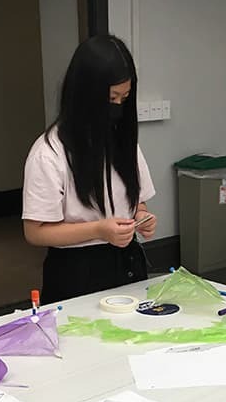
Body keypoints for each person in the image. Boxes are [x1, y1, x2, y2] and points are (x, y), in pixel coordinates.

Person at [22, 34, 157, 303]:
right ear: (85, 96)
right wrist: (98, 230)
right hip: (76, 272)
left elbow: (136, 201)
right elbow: (35, 231)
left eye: (125, 98)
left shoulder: (123, 142)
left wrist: (142, 217)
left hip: (126, 264)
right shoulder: (49, 153)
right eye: (112, 98)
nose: (118, 106)